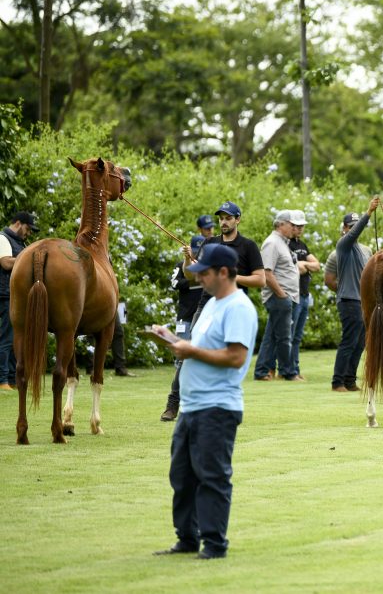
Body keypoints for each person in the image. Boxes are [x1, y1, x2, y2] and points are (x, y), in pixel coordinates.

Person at [151, 243, 258, 560]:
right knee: (181, 475)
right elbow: (199, 346)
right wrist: (172, 339)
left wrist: (190, 351)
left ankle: (214, 544)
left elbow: (236, 357)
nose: (198, 279)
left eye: (204, 273)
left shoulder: (238, 307)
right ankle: (187, 538)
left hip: (218, 407)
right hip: (192, 407)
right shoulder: (212, 303)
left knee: (212, 477)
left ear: (224, 273)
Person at [160, 201, 265, 421]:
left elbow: (260, 280)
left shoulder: (248, 246)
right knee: (188, 355)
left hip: (232, 305)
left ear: (237, 220)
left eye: (228, 218)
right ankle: (174, 404)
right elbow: (191, 277)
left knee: (226, 355)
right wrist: (189, 259)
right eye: (221, 218)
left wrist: (229, 277)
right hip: (205, 305)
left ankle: (215, 403)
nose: (224, 222)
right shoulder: (209, 243)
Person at [331, 198, 380, 392]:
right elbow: (355, 233)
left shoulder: (363, 249)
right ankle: (337, 382)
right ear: (344, 228)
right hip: (349, 300)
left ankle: (350, 380)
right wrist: (368, 213)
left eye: (354, 225)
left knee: (360, 343)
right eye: (349, 226)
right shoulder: (343, 244)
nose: (352, 229)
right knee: (349, 341)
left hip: (362, 301)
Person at [252, 210, 300, 382]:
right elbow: (266, 272)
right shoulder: (272, 243)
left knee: (272, 336)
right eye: (291, 224)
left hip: (283, 297)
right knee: (283, 337)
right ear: (281, 224)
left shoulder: (282, 242)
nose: (294, 227)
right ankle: (288, 372)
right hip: (278, 297)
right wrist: (282, 294)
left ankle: (261, 370)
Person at [0, 211, 39, 389]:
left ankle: (12, 379)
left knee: (17, 338)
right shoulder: (3, 238)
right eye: (27, 229)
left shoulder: (19, 243)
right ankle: (2, 380)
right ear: (17, 223)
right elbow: (6, 262)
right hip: (6, 295)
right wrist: (29, 258)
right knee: (7, 338)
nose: (28, 233)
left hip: (17, 296)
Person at [288, 210, 320, 379]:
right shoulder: (287, 245)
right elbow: (298, 268)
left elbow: (317, 265)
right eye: (297, 226)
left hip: (305, 295)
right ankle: (289, 371)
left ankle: (296, 369)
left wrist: (304, 264)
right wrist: (305, 265)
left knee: (298, 336)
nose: (299, 229)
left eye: (301, 226)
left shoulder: (302, 245)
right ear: (291, 226)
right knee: (291, 335)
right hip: (294, 295)